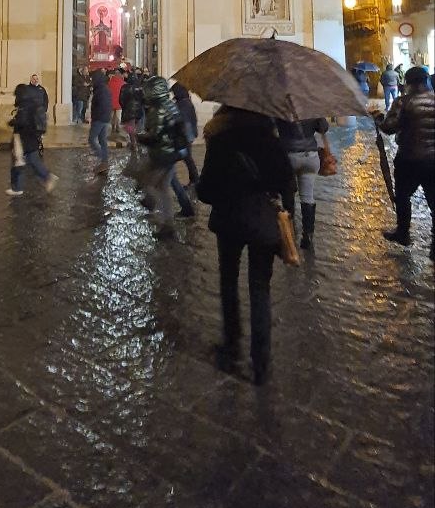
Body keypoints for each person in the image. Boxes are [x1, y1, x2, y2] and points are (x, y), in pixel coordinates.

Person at [196, 107, 296, 383]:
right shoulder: (271, 140)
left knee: (228, 282)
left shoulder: (221, 140)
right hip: (263, 223)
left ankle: (231, 346)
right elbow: (288, 184)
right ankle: (261, 361)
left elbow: (205, 191)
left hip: (229, 221)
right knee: (260, 289)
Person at [379, 66, 435, 255]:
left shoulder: (403, 102)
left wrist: (379, 118)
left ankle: (403, 232)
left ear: (409, 83)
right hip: (433, 160)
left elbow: (389, 127)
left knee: (403, 196)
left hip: (409, 159)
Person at [136, 76, 189, 240]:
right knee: (164, 188)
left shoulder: (158, 109)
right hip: (172, 152)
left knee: (148, 181)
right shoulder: (170, 105)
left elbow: (155, 135)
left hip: (162, 154)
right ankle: (168, 225)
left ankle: (153, 204)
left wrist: (138, 137)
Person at [275, 117, 329, 249]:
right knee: (307, 196)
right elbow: (324, 127)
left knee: (287, 194)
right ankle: (308, 237)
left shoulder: (280, 108)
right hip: (310, 156)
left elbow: (271, 127)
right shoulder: (310, 105)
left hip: (288, 156)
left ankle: (290, 235)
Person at [6, 83, 59, 196]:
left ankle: (17, 187)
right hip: (32, 137)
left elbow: (23, 122)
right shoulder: (32, 103)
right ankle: (46, 177)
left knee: (18, 160)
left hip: (23, 137)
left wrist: (13, 122)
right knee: (31, 159)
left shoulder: (24, 105)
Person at [170, 83, 200, 185]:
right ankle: (194, 179)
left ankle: (195, 179)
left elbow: (183, 120)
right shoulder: (185, 101)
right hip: (186, 135)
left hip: (184, 135)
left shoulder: (183, 103)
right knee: (187, 158)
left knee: (185, 158)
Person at [88, 70, 112, 174]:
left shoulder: (101, 90)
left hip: (99, 119)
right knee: (102, 140)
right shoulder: (103, 88)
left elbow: (102, 105)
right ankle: (104, 162)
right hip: (104, 118)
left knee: (92, 139)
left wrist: (95, 117)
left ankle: (103, 159)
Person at [119, 70, 145, 154]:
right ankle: (136, 142)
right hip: (138, 110)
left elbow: (121, 100)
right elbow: (143, 98)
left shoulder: (124, 87)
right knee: (135, 127)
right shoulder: (140, 88)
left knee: (130, 128)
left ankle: (134, 144)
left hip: (129, 110)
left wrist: (124, 106)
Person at [107, 67, 125, 134]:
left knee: (112, 116)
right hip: (119, 103)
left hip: (111, 102)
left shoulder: (109, 83)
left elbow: (107, 92)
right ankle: (117, 127)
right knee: (118, 116)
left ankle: (113, 127)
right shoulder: (123, 83)